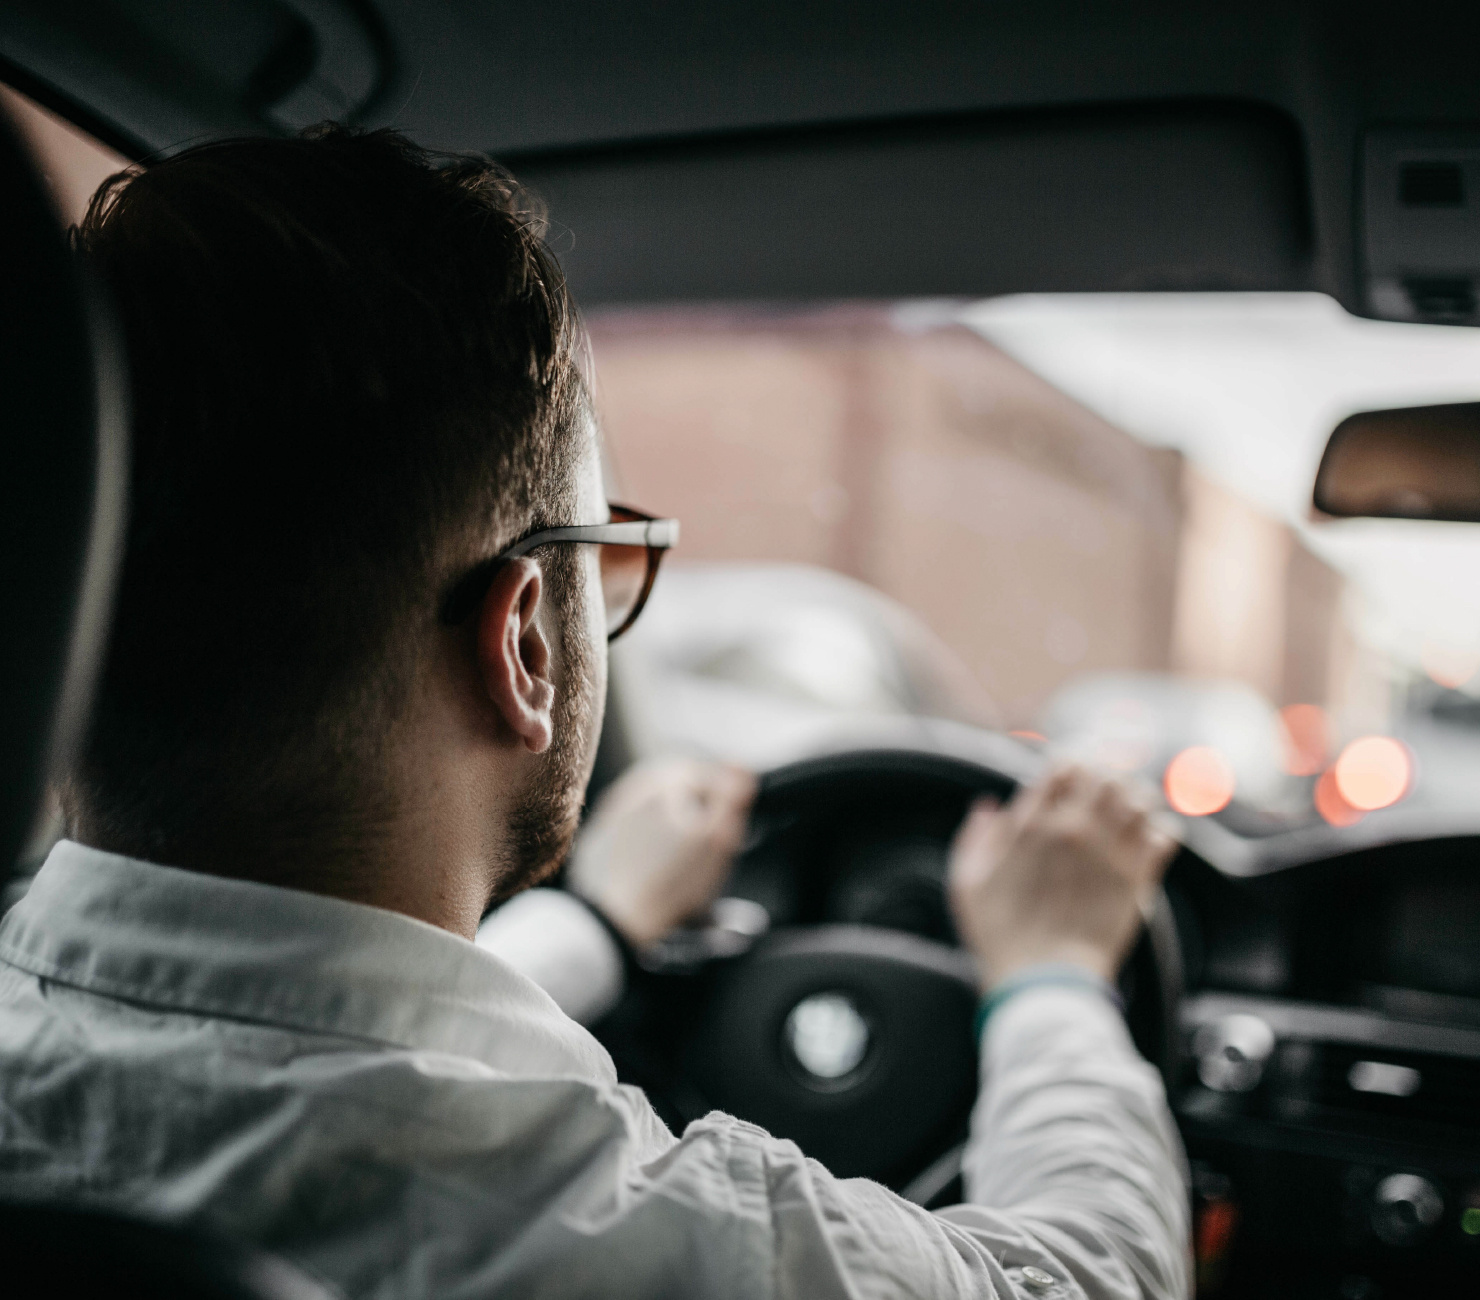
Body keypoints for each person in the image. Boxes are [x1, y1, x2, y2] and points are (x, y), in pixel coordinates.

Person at [0, 126, 1188, 1298]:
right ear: (523, 641)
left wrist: (604, 928)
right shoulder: (637, 1242)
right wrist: (1052, 980)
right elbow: (1091, 1276)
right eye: (602, 551)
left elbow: (287, 1021)